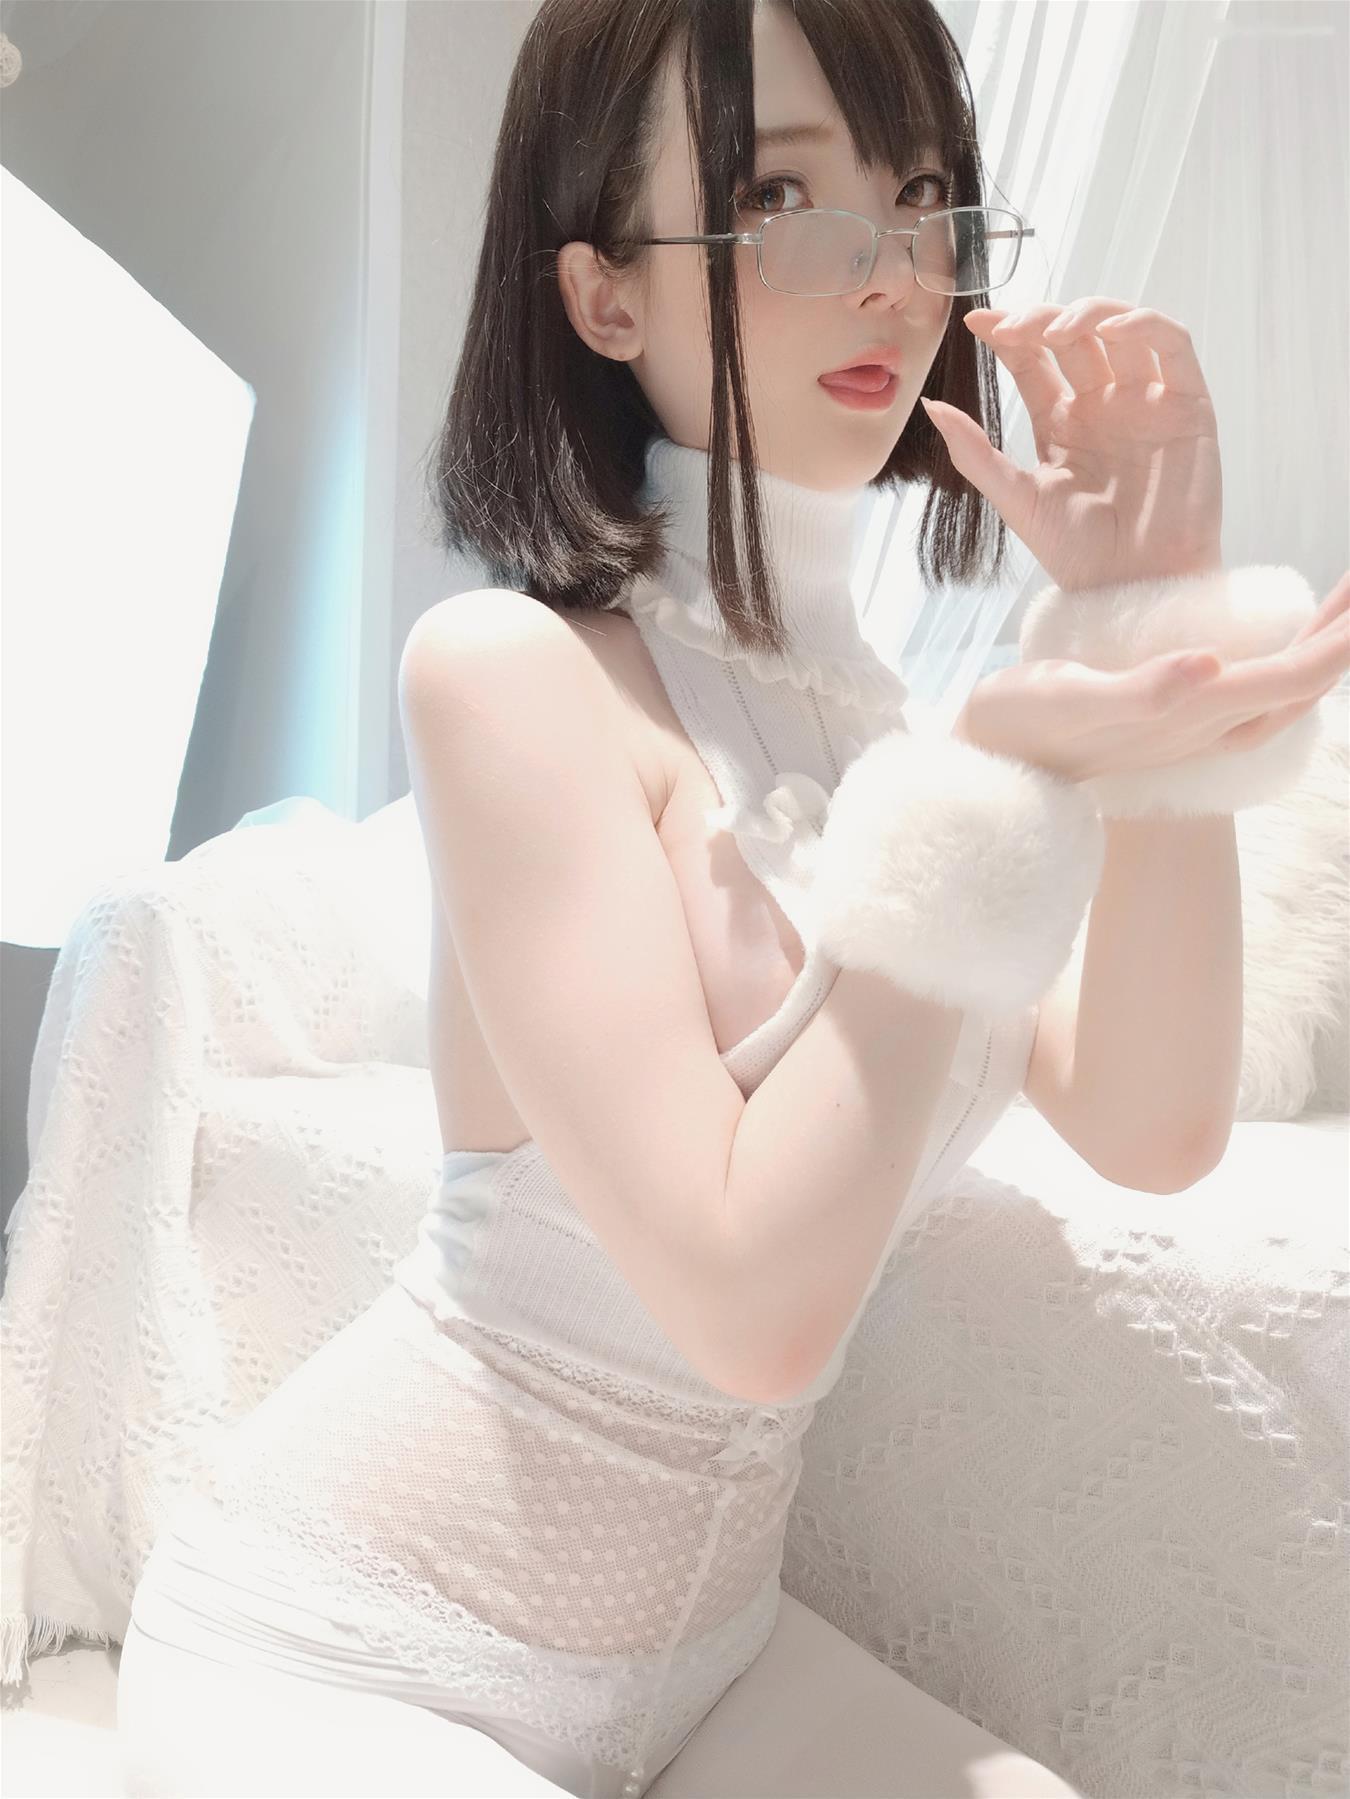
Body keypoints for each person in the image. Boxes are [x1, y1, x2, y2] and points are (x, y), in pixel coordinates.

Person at [117, 2, 1115, 1793]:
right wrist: (994, 782)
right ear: (601, 296)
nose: (885, 274)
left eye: (919, 199)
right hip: (348, 1650)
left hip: (713, 1664)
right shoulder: (511, 675)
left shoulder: (899, 737)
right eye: (779, 199)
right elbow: (753, 1311)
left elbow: (1148, 1116)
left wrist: (1142, 620)